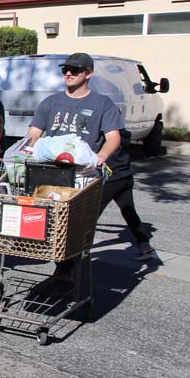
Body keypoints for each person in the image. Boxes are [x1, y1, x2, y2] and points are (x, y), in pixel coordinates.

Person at [24, 52, 157, 263]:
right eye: (65, 69)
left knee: (76, 223)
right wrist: (25, 150)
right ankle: (143, 246)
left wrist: (101, 156)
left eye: (74, 70)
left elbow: (113, 136)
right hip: (58, 174)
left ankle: (67, 271)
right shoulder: (50, 103)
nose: (68, 73)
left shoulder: (102, 104)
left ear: (88, 74)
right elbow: (34, 132)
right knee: (71, 222)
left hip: (85, 175)